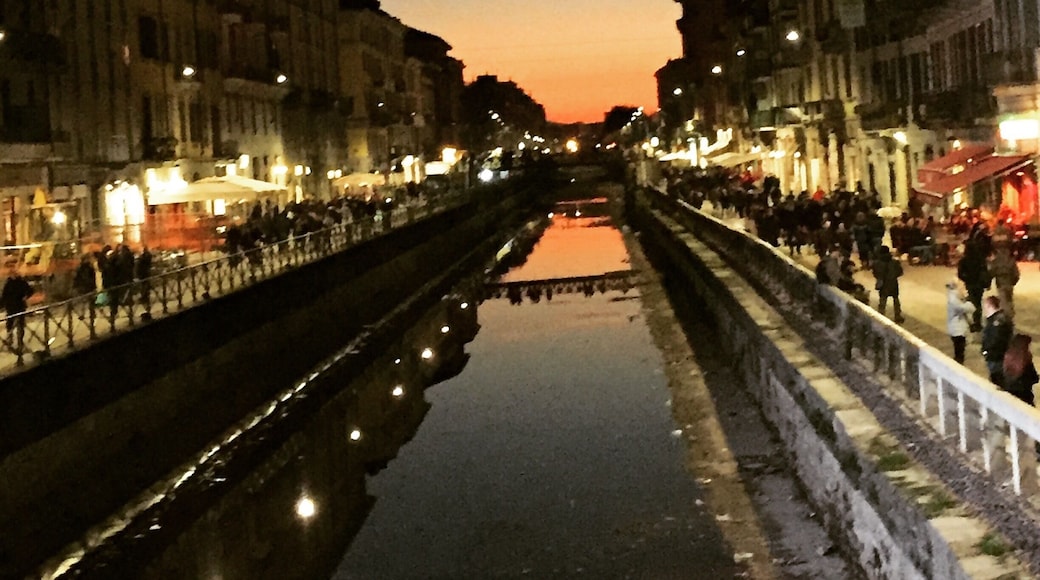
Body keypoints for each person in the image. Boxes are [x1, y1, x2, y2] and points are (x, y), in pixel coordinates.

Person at [957, 239, 990, 332]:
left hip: (970, 284)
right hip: (979, 284)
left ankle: (972, 323)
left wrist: (966, 278)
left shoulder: (964, 260)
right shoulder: (980, 260)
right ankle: (977, 322)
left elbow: (960, 274)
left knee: (972, 303)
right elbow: (985, 271)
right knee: (978, 303)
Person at [982, 296, 1013, 387]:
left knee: (997, 380)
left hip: (996, 356)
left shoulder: (997, 321)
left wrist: (986, 351)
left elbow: (995, 339)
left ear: (989, 306)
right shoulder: (998, 318)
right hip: (996, 355)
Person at [1, 266, 33, 351]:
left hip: (19, 306)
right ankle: (10, 340)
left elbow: (30, 290)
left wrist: (25, 297)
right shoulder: (8, 283)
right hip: (10, 306)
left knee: (20, 325)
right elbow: (4, 295)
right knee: (10, 324)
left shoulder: (21, 282)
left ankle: (20, 342)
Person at [872, 245, 904, 323]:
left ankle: (881, 314)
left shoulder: (876, 263)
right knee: (896, 299)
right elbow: (900, 272)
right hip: (893, 282)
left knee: (883, 299)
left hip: (883, 283)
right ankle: (897, 315)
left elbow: (875, 273)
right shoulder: (895, 262)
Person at [1003, 334, 1038, 406]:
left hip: (1010, 389)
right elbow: (1033, 377)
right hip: (1023, 392)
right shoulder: (1025, 358)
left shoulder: (1008, 355)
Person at [945, 280, 975, 364]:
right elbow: (968, 308)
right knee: (959, 353)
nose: (965, 289)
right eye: (963, 286)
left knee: (960, 352)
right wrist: (968, 301)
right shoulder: (954, 299)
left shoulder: (956, 297)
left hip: (958, 329)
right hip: (957, 330)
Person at [988, 248, 1020, 320]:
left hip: (1000, 283)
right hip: (1009, 283)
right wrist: (1013, 282)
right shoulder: (1011, 261)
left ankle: (1007, 316)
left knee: (1003, 300)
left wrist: (989, 281)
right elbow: (1016, 273)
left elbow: (992, 272)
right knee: (1009, 299)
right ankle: (1010, 315)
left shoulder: (996, 261)